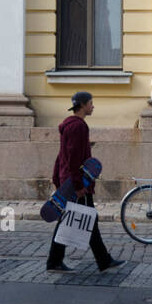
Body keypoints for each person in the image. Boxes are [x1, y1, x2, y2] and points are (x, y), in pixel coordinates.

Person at [46, 91, 124, 274]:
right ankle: (56, 262)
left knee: (84, 218)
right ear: (82, 105)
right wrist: (79, 186)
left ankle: (102, 260)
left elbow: (61, 156)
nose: (93, 106)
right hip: (77, 182)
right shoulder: (78, 127)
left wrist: (57, 177)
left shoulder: (70, 125)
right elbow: (73, 159)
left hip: (70, 180)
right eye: (91, 103)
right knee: (82, 218)